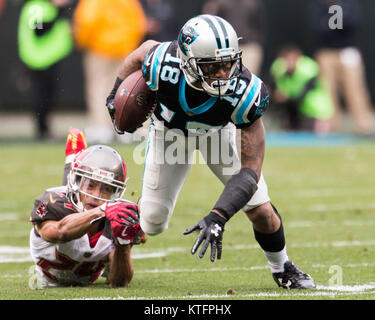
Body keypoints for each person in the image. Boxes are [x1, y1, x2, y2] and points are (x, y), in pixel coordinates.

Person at [106, 14, 316, 289]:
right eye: (211, 66)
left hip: (217, 134)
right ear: (187, 61)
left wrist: (218, 216)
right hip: (169, 134)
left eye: (227, 64)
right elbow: (141, 52)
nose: (222, 74)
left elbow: (250, 171)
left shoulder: (246, 92)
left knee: (260, 209)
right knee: (153, 222)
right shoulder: (161, 62)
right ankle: (109, 234)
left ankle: (282, 267)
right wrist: (114, 95)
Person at [29, 128, 145, 287]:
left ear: (117, 192)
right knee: (72, 204)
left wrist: (123, 242)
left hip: (89, 263)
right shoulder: (54, 203)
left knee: (85, 205)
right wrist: (102, 210)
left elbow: (120, 281)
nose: (96, 195)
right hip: (50, 275)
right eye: (90, 185)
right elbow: (60, 232)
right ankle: (73, 153)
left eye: (106, 189)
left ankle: (78, 160)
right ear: (76, 182)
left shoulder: (117, 216)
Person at [73, 0, 147, 143]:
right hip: (124, 48)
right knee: (125, 88)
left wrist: (83, 42)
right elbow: (139, 23)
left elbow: (86, 21)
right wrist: (130, 43)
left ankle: (101, 128)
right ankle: (124, 126)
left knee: (98, 89)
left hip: (99, 48)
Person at [309, 0, 375, 135]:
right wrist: (333, 22)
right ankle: (332, 126)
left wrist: (335, 18)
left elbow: (350, 24)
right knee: (327, 90)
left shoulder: (347, 4)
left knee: (355, 89)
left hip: (346, 51)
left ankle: (364, 124)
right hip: (326, 52)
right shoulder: (318, 6)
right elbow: (319, 28)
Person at [17, 0, 74, 140]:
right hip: (38, 59)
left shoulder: (46, 7)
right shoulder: (35, 7)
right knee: (41, 95)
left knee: (49, 95)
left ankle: (45, 128)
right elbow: (39, 30)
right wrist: (59, 12)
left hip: (49, 57)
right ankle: (42, 130)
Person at [270, 44, 334, 133]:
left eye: (293, 59)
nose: (290, 62)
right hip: (297, 110)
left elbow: (302, 96)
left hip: (315, 111)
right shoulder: (279, 68)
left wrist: (285, 97)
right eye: (287, 59)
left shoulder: (309, 68)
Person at [201, 0, 265, 76]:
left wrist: (256, 43)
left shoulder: (252, 3)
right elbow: (210, 22)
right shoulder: (219, 2)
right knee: (226, 78)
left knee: (248, 79)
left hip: (248, 48)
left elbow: (260, 25)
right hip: (226, 49)